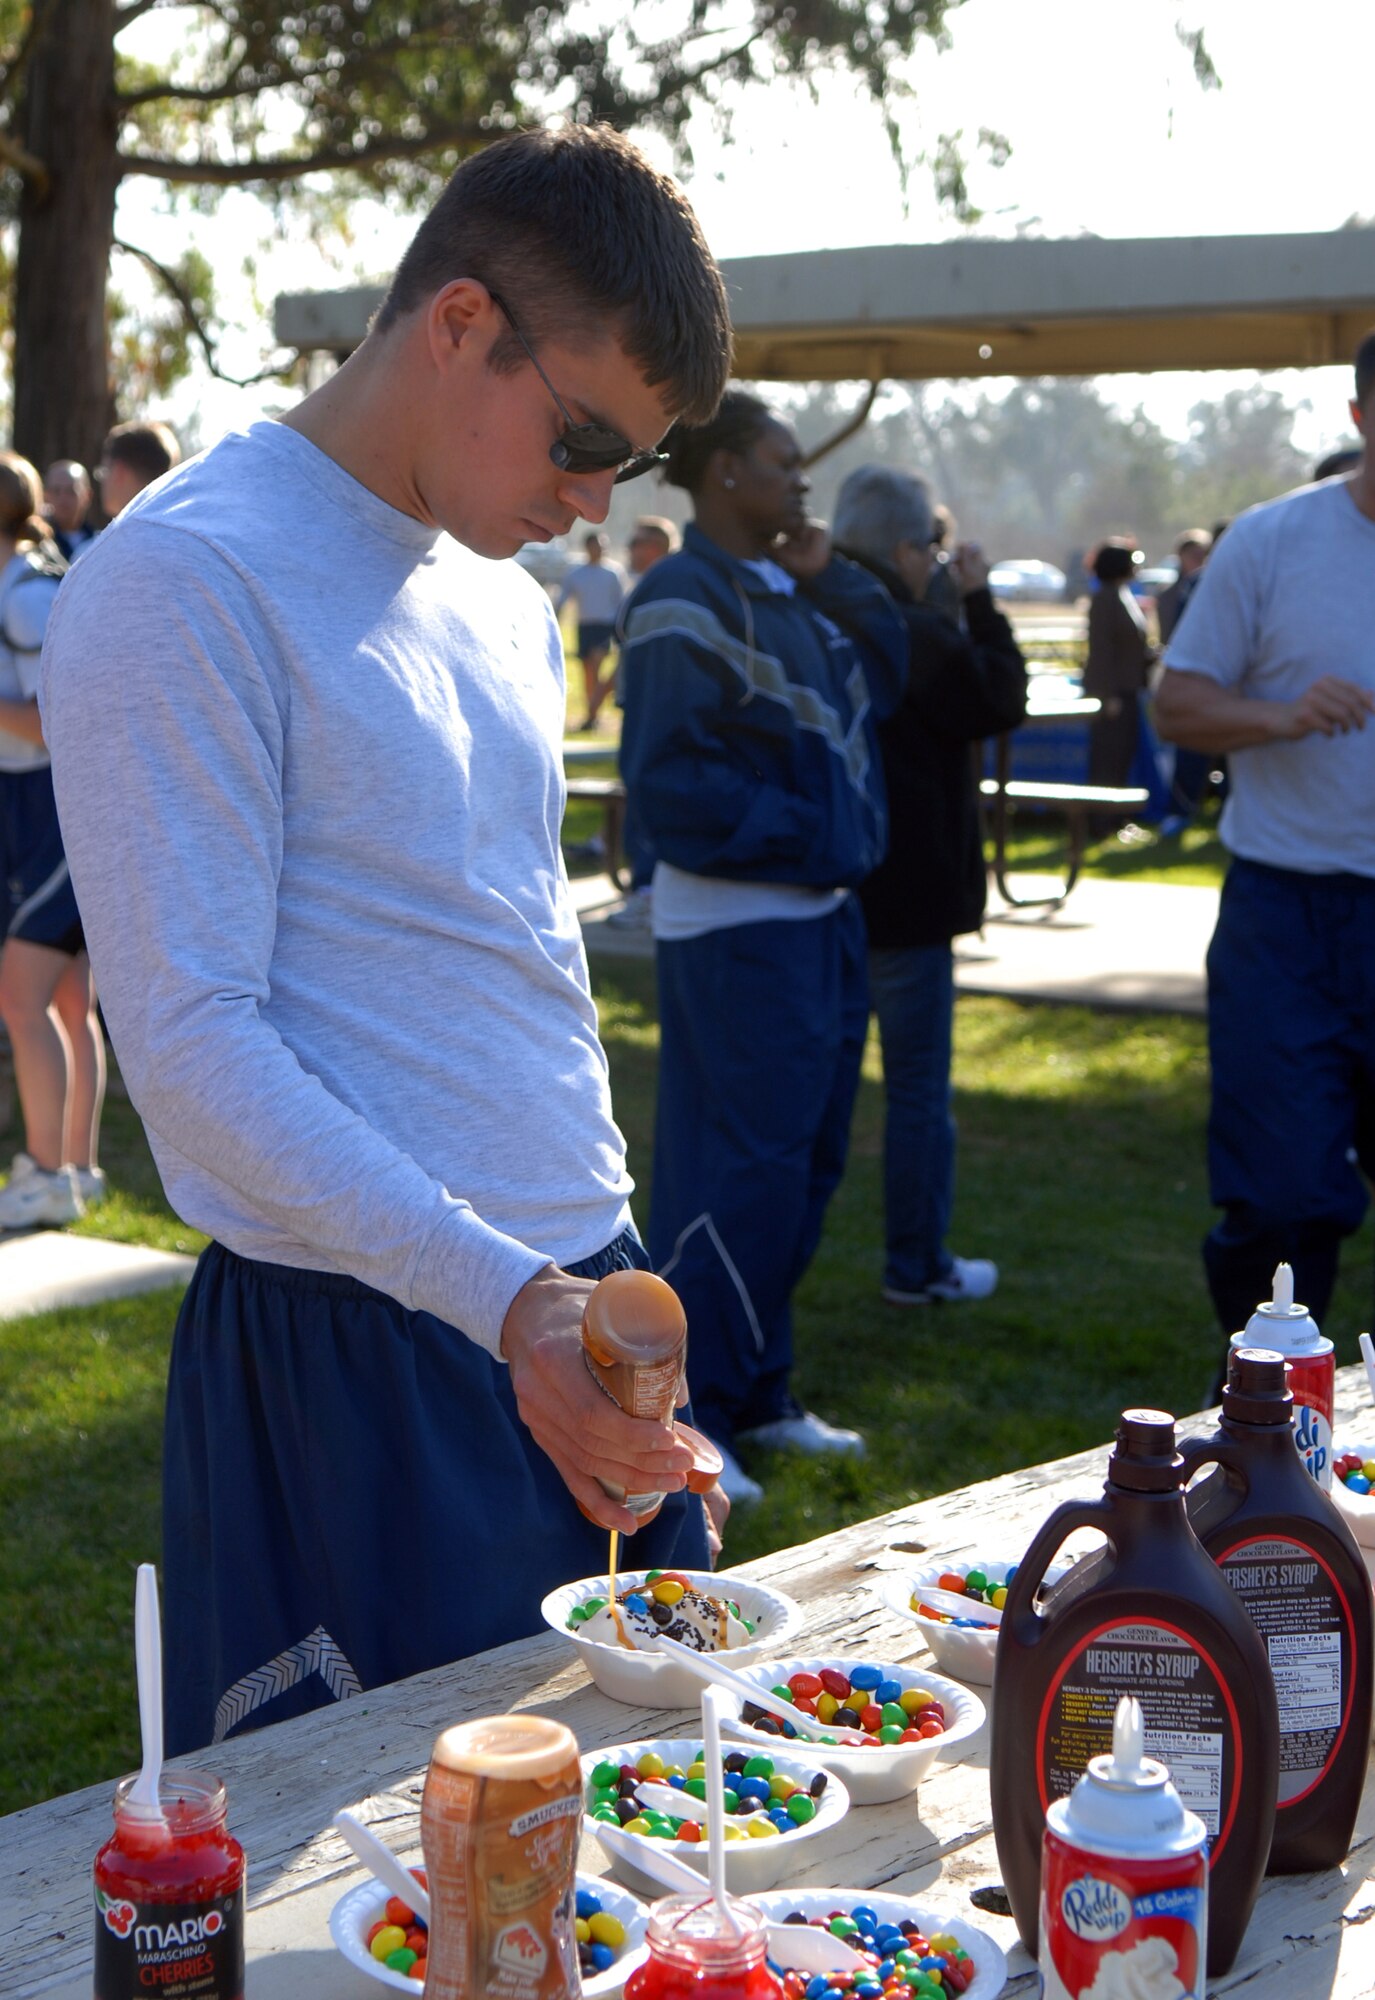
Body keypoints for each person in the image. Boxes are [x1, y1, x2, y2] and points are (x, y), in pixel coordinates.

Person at [41, 122, 733, 1754]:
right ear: (457, 325)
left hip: (578, 1309)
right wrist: (514, 1306)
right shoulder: (183, 580)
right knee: (390, 1905)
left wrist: (602, 1289)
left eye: (623, 466)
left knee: (657, 1837)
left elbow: (508, 956)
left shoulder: (497, 586)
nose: (587, 502)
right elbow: (191, 1054)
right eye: (579, 438)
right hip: (360, 1357)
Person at [618, 390, 907, 1505]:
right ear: (727, 470)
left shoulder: (788, 587)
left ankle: (764, 1388)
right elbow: (672, 782)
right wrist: (814, 834)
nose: (801, 483)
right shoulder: (678, 596)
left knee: (804, 1169)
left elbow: (894, 670)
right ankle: (696, 1413)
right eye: (784, 464)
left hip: (818, 923)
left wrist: (830, 568)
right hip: (738, 933)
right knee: (732, 1181)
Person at [1154, 328, 1375, 1382]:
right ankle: (1264, 1421)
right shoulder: (1272, 542)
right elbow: (1175, 701)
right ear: (1361, 419)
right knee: (1281, 1194)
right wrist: (1283, 715)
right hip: (1287, 917)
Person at [833, 465, 1027, 1308]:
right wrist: (977, 602)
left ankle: (768, 1293)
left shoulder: (819, 614)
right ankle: (915, 1264)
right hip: (909, 898)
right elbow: (999, 694)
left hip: (827, 890)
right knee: (915, 1095)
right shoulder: (909, 630)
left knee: (817, 1099)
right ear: (908, 549)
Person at [0, 455, 107, 1227]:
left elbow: (54, 723)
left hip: (58, 808)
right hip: (29, 808)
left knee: (23, 996)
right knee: (69, 1003)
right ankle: (73, 1172)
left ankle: (45, 1172)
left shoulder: (30, 597)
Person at [606, 517, 681, 930]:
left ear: (658, 548)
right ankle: (647, 888)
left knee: (646, 794)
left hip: (652, 711)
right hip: (642, 705)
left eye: (639, 543)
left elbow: (622, 631)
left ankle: (649, 890)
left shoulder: (663, 584)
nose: (631, 549)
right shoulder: (657, 585)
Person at [1083, 539, 1152, 793]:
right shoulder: (1104, 598)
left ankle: (1116, 817)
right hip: (1114, 692)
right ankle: (1101, 818)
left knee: (1123, 752)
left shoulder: (1122, 595)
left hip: (1128, 688)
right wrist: (1108, 694)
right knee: (1108, 755)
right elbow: (1101, 650)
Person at [557, 529, 627, 729]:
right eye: (596, 545)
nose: (600, 549)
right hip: (585, 625)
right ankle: (592, 712)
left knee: (596, 664)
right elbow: (564, 599)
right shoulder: (576, 573)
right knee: (587, 671)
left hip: (605, 626)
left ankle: (592, 714)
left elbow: (621, 601)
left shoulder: (613, 572)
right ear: (587, 547)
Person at [96, 421, 181, 518]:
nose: (102, 481)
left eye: (104, 471)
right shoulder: (175, 526)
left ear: (119, 471)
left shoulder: (126, 531)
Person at [1154, 529, 1212, 645]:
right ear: (1180, 555)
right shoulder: (1167, 595)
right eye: (1193, 554)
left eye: (1202, 554)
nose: (1199, 559)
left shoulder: (1211, 592)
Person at [42, 461, 97, 563]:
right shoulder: (39, 544)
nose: (63, 498)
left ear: (87, 496)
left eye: (71, 491)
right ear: (46, 496)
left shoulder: (100, 543)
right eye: (56, 491)